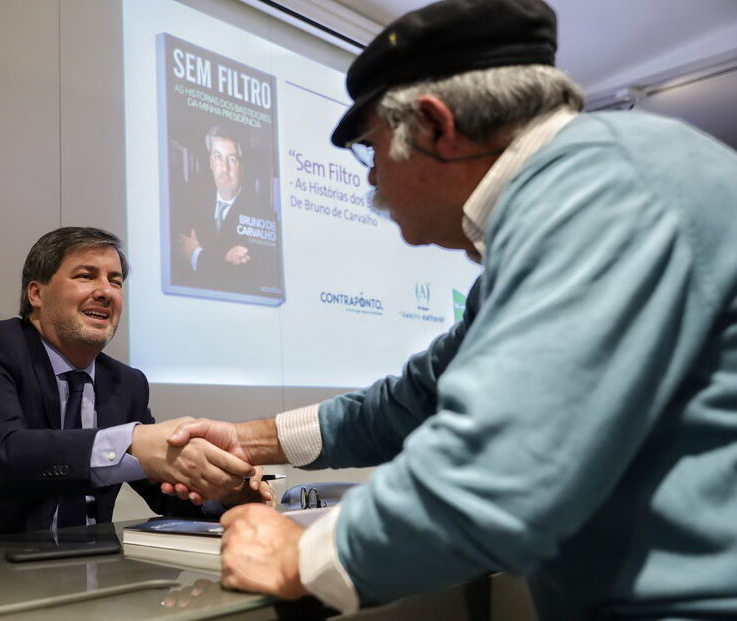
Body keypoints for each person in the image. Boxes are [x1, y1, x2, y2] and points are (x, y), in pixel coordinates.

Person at [164, 0, 737, 618]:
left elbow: (502, 471)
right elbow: (417, 398)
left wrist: (299, 557)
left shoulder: (603, 192)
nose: (372, 183)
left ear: (437, 128)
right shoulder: (584, 186)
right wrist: (249, 443)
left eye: (372, 149)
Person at [0, 227, 270, 544]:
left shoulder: (127, 383)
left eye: (115, 281)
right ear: (36, 294)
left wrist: (223, 491)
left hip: (86, 577)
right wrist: (131, 442)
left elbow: (165, 492)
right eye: (86, 276)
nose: (106, 291)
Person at [176, 126, 259, 291]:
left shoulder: (258, 211)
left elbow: (237, 277)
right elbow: (179, 253)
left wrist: (196, 255)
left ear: (241, 168)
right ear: (210, 163)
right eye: (218, 157)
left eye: (232, 159)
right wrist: (224, 259)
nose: (224, 168)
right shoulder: (193, 203)